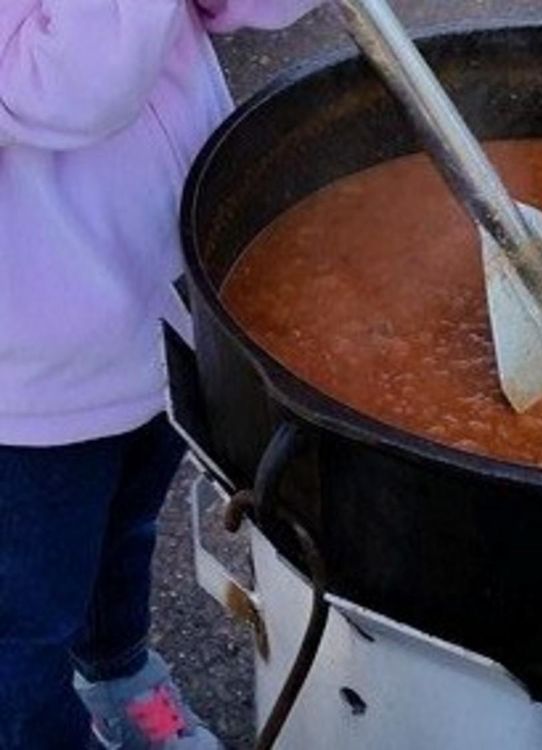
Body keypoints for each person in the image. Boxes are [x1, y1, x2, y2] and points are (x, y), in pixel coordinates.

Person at [0, 1, 321, 747]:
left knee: (123, 529)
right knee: (26, 620)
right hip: (34, 384)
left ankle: (116, 671)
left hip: (165, 303)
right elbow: (72, 86)